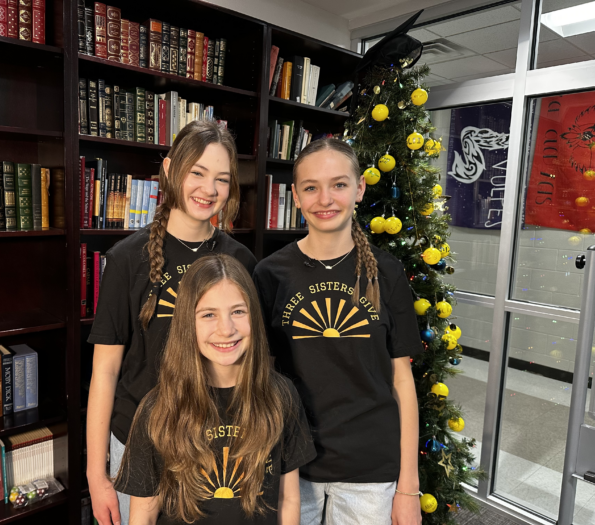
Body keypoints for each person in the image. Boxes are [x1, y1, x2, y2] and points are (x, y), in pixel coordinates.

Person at [87, 120, 258, 525]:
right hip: (135, 443)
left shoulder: (242, 263)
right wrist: (97, 475)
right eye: (196, 173)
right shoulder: (128, 259)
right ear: (169, 170)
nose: (208, 189)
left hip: (216, 447)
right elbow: (106, 371)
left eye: (221, 178)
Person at [253, 138, 423, 525]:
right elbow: (257, 377)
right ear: (295, 196)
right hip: (293, 465)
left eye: (339, 184)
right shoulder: (269, 274)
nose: (325, 199)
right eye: (311, 187)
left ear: (360, 188)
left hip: (371, 469)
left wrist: (408, 487)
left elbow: (402, 380)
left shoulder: (388, 272)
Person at [113, 254, 316, 525]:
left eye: (238, 311)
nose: (226, 329)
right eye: (209, 314)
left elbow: (287, 499)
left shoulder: (281, 395)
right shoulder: (158, 408)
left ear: (253, 316)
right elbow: (144, 515)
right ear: (188, 323)